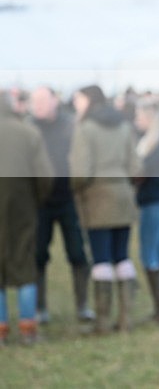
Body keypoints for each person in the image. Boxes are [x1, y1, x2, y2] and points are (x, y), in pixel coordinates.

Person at [69, 85, 141, 333]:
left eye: (78, 99)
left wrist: (74, 189)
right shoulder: (123, 125)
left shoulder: (85, 128)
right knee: (122, 256)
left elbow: (80, 172)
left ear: (89, 100)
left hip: (97, 198)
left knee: (101, 259)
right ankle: (126, 319)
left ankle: (102, 321)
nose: (76, 104)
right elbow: (135, 167)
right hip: (123, 196)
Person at [29, 86, 95, 324]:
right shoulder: (29, 127)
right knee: (38, 255)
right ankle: (40, 308)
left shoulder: (70, 125)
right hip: (39, 203)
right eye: (34, 102)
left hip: (69, 199)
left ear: (54, 101)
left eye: (42, 101)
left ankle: (82, 306)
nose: (37, 106)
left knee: (77, 254)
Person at [0, 90, 53, 345]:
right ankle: (28, 329)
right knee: (25, 265)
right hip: (22, 208)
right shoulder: (29, 132)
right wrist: (34, 201)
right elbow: (45, 176)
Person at [133, 97, 159, 324]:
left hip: (153, 203)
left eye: (139, 116)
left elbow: (142, 176)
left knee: (150, 256)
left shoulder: (152, 146)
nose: (136, 120)